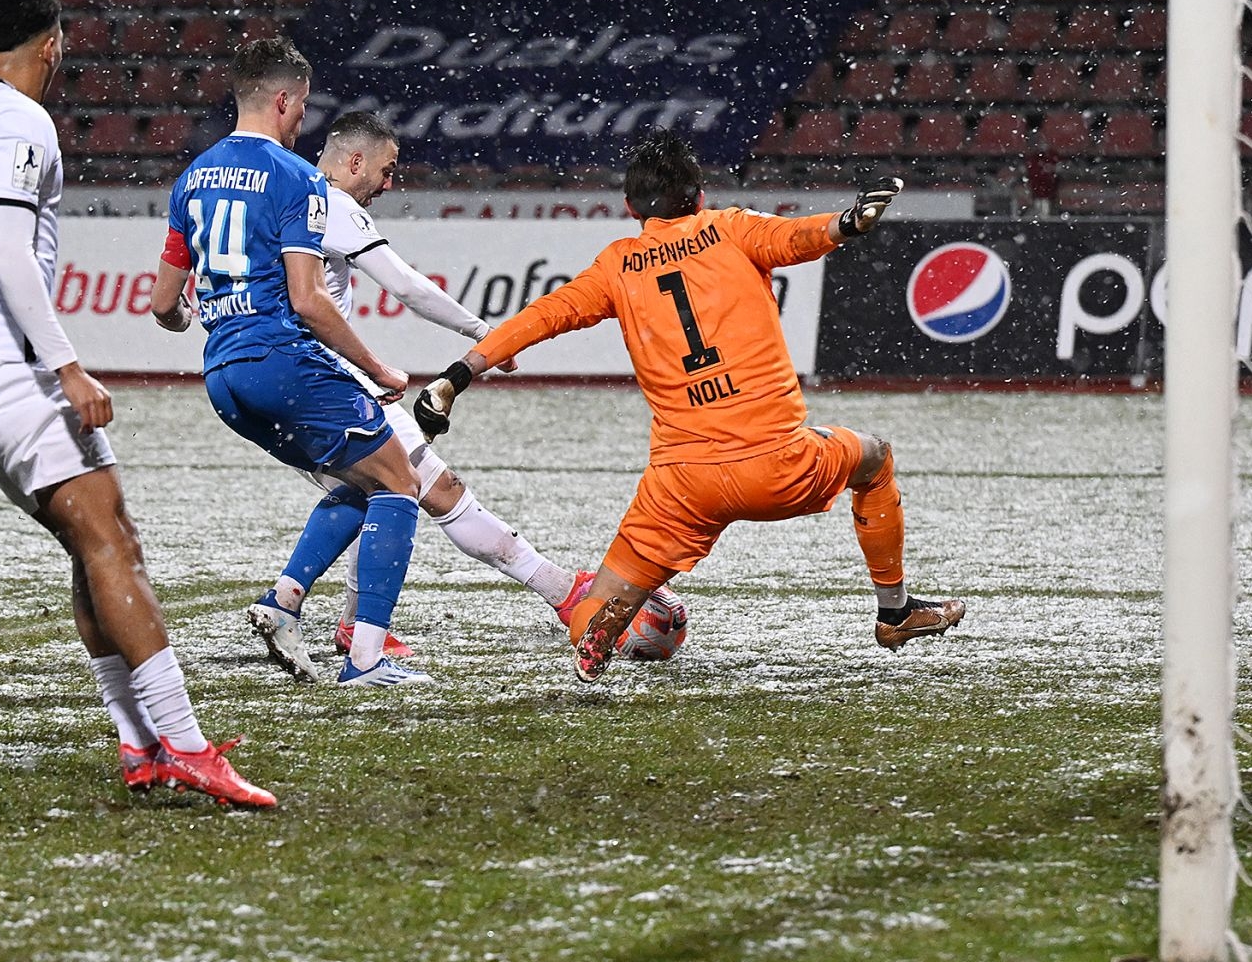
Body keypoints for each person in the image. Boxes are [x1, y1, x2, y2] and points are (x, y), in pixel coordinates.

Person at [0, 0, 273, 808]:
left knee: (93, 533)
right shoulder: (20, 118)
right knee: (112, 539)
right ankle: (183, 743)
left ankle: (141, 743)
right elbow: (6, 253)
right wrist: (66, 364)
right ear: (53, 45)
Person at [414, 133, 964, 683]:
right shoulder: (729, 228)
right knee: (874, 458)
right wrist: (844, 223)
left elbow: (543, 316)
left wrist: (459, 374)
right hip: (775, 461)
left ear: (631, 208)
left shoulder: (617, 265)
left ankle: (606, 624)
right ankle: (895, 611)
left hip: (681, 484)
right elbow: (796, 237)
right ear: (699, 196)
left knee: (588, 613)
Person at [252, 110, 685, 678]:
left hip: (264, 375)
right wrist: (485, 335)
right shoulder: (326, 202)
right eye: (385, 170)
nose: (388, 184)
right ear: (353, 161)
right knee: (427, 488)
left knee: (369, 489)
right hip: (316, 377)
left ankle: (300, 607)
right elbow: (405, 284)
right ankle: (560, 592)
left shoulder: (276, 193)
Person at [148, 39, 429, 688]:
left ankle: (283, 603)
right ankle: (364, 660)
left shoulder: (192, 177)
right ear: (282, 100)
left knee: (357, 482)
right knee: (398, 482)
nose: (304, 119)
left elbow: (163, 302)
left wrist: (193, 317)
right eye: (302, 105)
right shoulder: (298, 177)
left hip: (223, 376)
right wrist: (378, 366)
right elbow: (309, 300)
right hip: (278, 357)